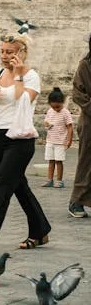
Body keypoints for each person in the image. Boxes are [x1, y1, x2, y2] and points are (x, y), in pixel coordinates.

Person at [0, 33, 51, 256]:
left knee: (1, 187)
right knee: (18, 186)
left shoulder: (31, 76)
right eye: (2, 51)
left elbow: (25, 99)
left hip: (20, 139)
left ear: (21, 53)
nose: (4, 56)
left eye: (10, 52)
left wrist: (18, 74)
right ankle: (40, 229)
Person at [69, 35, 91, 218]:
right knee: (86, 162)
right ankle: (76, 201)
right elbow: (78, 94)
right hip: (89, 121)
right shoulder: (85, 65)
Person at [42, 87, 73, 188]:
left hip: (60, 142)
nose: (56, 109)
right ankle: (49, 179)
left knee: (59, 161)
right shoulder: (50, 111)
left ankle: (59, 180)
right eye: (54, 107)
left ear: (62, 103)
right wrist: (46, 124)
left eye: (58, 107)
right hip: (50, 140)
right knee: (51, 161)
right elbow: (46, 123)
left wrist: (68, 140)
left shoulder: (65, 113)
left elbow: (69, 127)